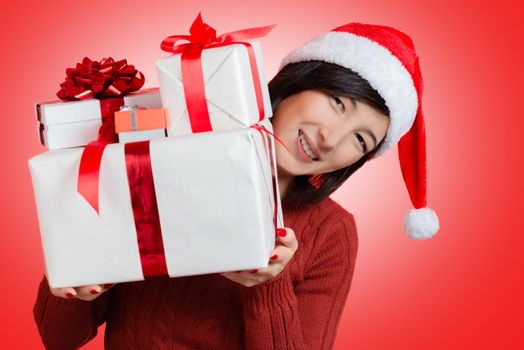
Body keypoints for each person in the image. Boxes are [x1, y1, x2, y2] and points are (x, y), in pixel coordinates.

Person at [33, 23, 439, 349]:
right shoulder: (154, 160)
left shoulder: (331, 234)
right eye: (337, 102)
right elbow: (57, 338)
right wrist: (77, 282)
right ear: (298, 80)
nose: (331, 138)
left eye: (361, 140)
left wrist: (267, 285)